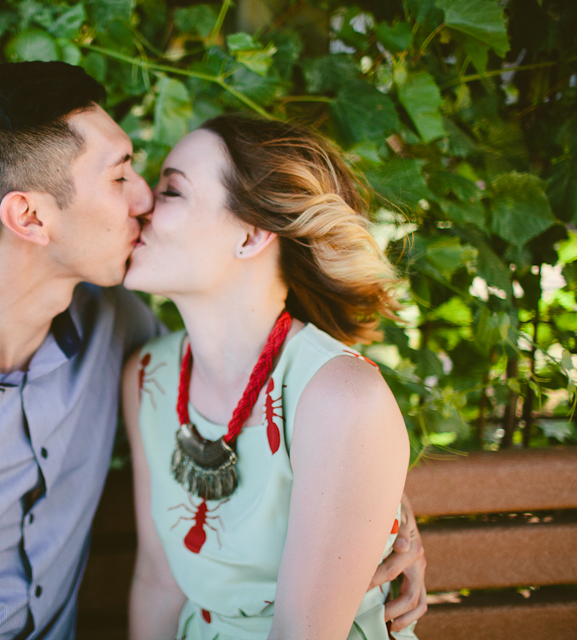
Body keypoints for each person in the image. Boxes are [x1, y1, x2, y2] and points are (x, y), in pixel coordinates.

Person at [0, 62, 425, 640]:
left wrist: (379, 513)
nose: (142, 200)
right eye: (121, 177)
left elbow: (289, 402)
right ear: (29, 218)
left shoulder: (118, 329)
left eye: (160, 183)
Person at [121, 115, 422, 640]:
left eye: (171, 190)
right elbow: (158, 580)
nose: (143, 203)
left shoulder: (342, 399)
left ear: (252, 234)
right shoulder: (149, 375)